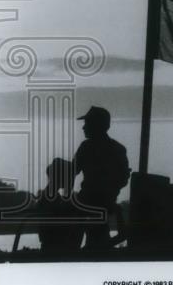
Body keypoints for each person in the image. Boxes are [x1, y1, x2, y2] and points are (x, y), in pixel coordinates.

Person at [73, 105, 130, 250]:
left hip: (87, 202)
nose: (83, 128)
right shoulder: (118, 149)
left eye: (87, 124)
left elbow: (72, 171)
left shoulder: (86, 147)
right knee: (98, 236)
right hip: (106, 202)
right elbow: (123, 179)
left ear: (96, 126)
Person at [34, 157, 84, 252]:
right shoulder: (51, 199)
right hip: (58, 249)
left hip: (54, 247)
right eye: (70, 178)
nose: (72, 181)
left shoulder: (49, 196)